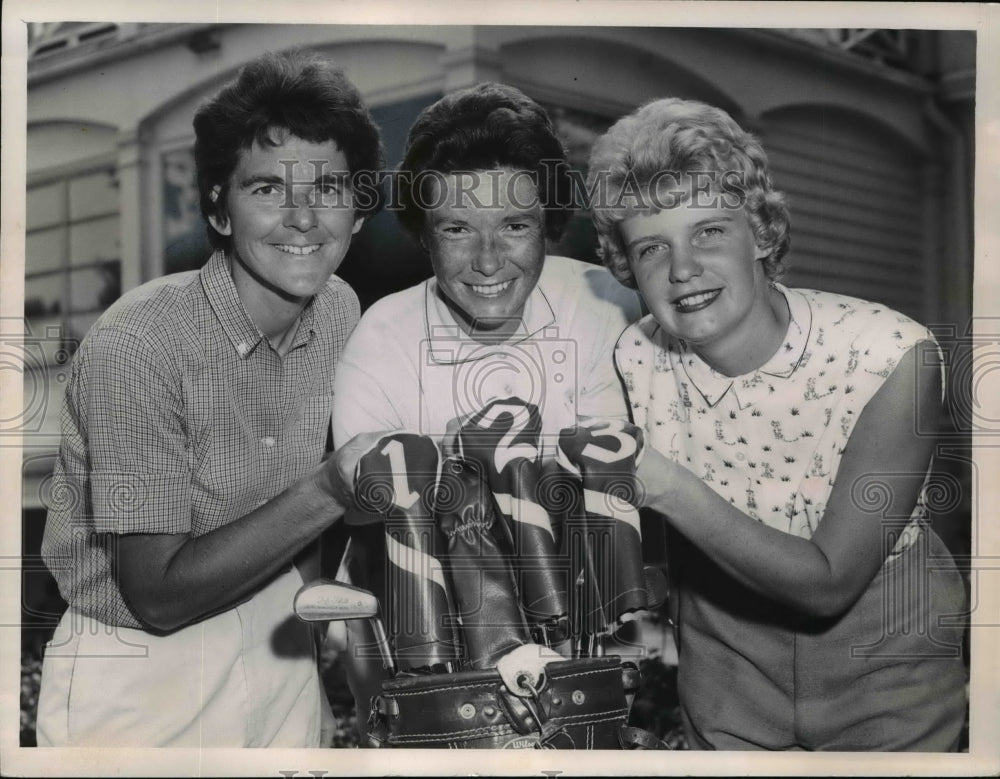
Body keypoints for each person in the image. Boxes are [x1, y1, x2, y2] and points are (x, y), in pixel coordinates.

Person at [586, 97, 968, 751]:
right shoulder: (637, 353)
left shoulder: (889, 353)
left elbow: (829, 583)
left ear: (762, 232)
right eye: (652, 248)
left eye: (709, 231)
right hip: (726, 674)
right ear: (626, 269)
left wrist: (666, 487)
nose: (682, 269)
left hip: (884, 676)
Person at [37, 51, 384, 747]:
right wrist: (331, 486)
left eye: (328, 187)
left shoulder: (342, 308)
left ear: (359, 209)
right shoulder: (138, 341)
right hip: (138, 670)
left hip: (282, 641)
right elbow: (157, 593)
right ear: (219, 212)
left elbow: (305, 543)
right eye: (266, 190)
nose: (303, 217)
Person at [330, 82, 641, 732]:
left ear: (549, 224)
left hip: (595, 670)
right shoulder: (380, 338)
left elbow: (628, 512)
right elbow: (379, 538)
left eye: (515, 225)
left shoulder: (605, 305)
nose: (489, 260)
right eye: (457, 229)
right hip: (442, 685)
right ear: (424, 233)